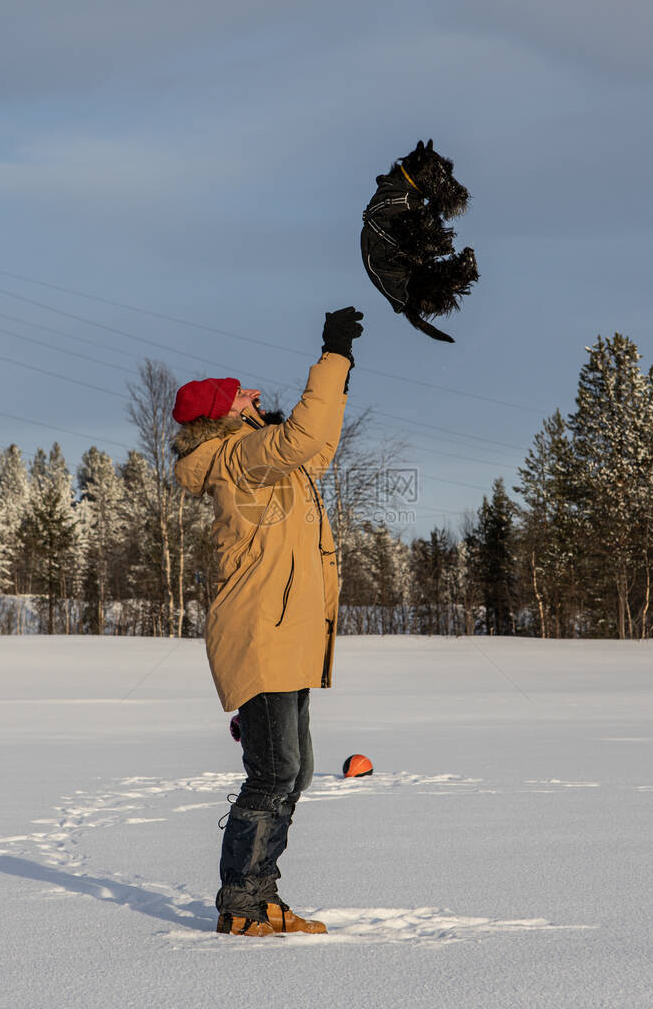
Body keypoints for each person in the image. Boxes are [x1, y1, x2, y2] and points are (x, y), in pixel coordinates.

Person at [171, 307, 364, 936]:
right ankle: (242, 904)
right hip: (262, 633)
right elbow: (300, 442)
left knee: (294, 770)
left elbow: (319, 445)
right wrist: (330, 354)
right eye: (241, 392)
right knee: (275, 772)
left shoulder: (263, 460)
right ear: (223, 415)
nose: (254, 393)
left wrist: (341, 374)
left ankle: (261, 897)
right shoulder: (236, 457)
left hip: (284, 634)